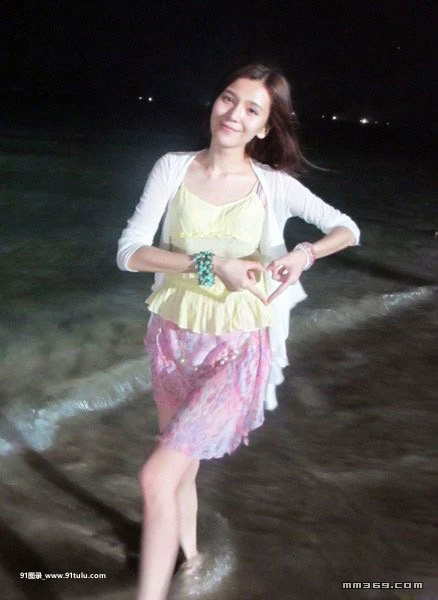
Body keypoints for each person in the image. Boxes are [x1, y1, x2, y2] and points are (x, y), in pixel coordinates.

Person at [116, 63, 360, 600]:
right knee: (178, 467)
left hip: (237, 349)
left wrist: (303, 254)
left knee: (156, 475)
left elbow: (347, 228)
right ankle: (191, 557)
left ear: (265, 127)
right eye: (228, 99)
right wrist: (211, 264)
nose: (234, 114)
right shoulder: (172, 168)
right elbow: (130, 252)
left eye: (252, 109)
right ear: (215, 103)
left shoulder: (274, 186)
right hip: (173, 340)